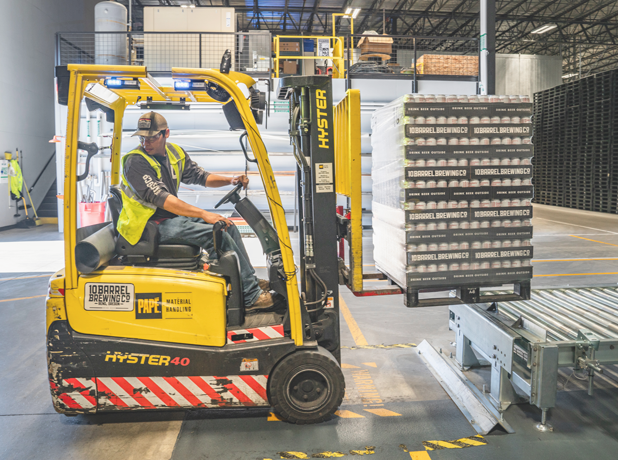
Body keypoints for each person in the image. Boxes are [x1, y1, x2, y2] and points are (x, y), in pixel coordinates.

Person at [117, 111, 273, 309]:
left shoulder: (174, 153)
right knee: (216, 235)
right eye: (142, 137)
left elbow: (201, 177)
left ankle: (247, 281)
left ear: (166, 134)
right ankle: (250, 297)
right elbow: (163, 200)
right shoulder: (136, 162)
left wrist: (230, 180)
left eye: (151, 137)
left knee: (227, 226)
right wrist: (203, 214)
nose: (145, 143)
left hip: (167, 219)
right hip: (147, 226)